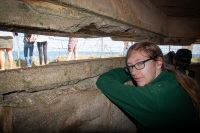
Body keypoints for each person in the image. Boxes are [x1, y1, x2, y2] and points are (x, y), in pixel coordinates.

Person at [96, 42, 200, 133]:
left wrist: (132, 69)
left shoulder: (154, 96)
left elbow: (104, 81)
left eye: (140, 63)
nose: (133, 72)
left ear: (159, 63)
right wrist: (137, 69)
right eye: (130, 66)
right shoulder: (173, 79)